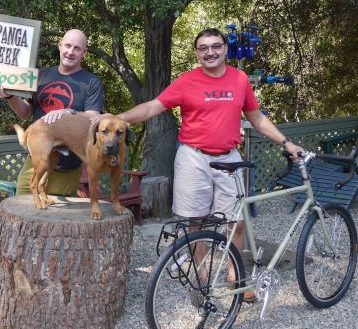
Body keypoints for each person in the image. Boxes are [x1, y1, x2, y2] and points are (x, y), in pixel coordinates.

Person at [110, 27, 304, 301]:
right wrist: (118, 119)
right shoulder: (187, 81)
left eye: (215, 46)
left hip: (229, 157)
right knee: (195, 223)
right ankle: (199, 277)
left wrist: (286, 142)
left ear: (225, 49)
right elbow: (153, 107)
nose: (210, 51)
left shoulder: (240, 79)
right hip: (193, 157)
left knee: (235, 222)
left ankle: (235, 275)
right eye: (203, 47)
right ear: (197, 53)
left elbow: (257, 118)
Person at [0, 29, 104, 196]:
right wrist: (10, 96)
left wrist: (68, 112)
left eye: (77, 48)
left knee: (57, 220)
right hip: (34, 163)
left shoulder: (92, 82)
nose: (70, 52)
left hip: (66, 167)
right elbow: (25, 113)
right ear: (59, 46)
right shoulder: (41, 76)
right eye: (68, 46)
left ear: (84, 53)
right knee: (23, 214)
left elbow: (93, 117)